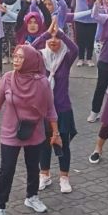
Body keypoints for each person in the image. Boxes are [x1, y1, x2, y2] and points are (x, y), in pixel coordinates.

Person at [0, 44, 59, 215]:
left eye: (21, 57)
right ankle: (0, 207)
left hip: (35, 131)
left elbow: (50, 108)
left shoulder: (42, 82)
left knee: (33, 167)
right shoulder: (7, 78)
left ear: (30, 60)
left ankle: (32, 197)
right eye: (15, 56)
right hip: (10, 131)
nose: (16, 60)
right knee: (6, 169)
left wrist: (56, 132)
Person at [32, 20, 79, 193]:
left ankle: (64, 177)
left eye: (56, 38)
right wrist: (46, 33)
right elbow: (29, 48)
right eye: (50, 39)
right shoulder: (39, 58)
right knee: (44, 143)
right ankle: (44, 174)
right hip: (43, 109)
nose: (53, 41)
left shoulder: (66, 58)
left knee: (63, 143)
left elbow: (75, 49)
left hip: (62, 107)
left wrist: (60, 33)